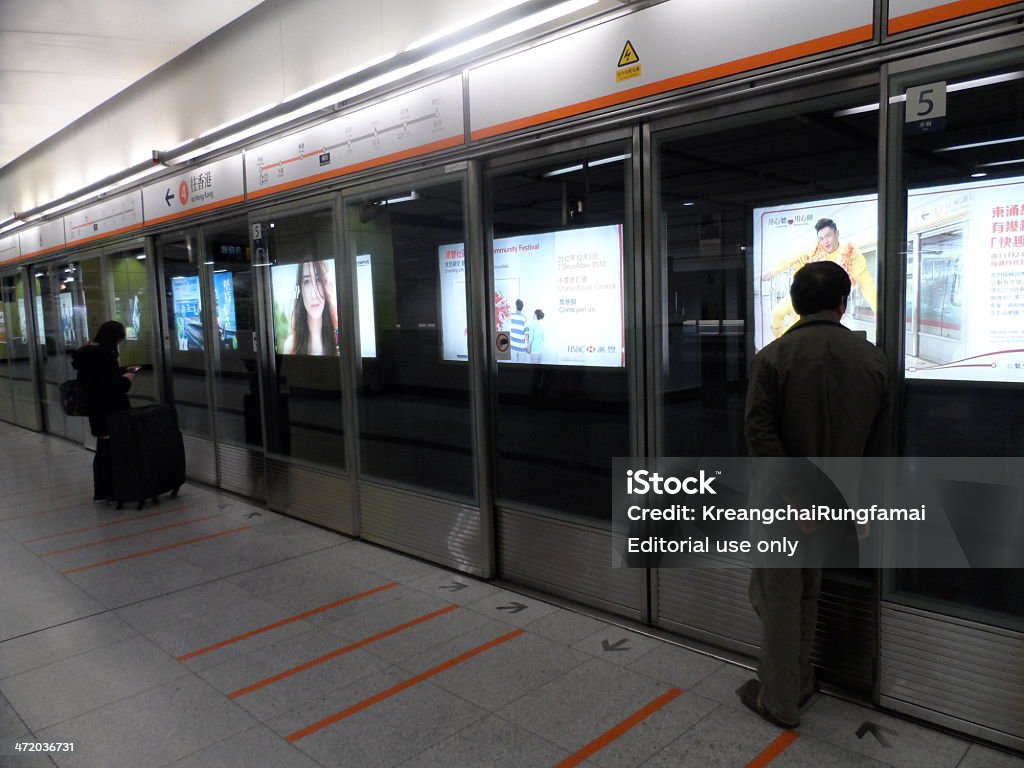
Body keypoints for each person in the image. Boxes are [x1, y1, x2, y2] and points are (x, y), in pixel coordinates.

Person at [739, 261, 891, 730]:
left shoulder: (772, 357)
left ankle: (780, 700)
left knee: (778, 597)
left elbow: (760, 435)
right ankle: (797, 679)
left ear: (797, 303)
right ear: (843, 303)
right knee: (807, 591)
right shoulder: (873, 361)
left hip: (784, 503)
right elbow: (877, 445)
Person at [763, 218, 878, 338]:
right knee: (777, 313)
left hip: (828, 302)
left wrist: (877, 310)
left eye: (828, 236)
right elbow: (793, 258)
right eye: (821, 238)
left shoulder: (851, 255)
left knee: (807, 331)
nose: (825, 242)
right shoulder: (814, 250)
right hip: (807, 293)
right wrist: (774, 271)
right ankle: (780, 342)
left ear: (837, 234)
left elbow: (867, 286)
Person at [72, 320, 135, 502]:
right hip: (111, 410)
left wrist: (120, 370)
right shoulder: (104, 356)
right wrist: (127, 379)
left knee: (103, 449)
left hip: (96, 410)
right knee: (111, 451)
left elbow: (97, 379)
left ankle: (103, 490)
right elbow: (113, 387)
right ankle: (113, 489)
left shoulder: (88, 354)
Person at [282, 260, 338, 355]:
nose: (313, 295)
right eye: (307, 281)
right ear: (300, 290)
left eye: (318, 279)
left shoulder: (341, 343)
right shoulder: (290, 346)